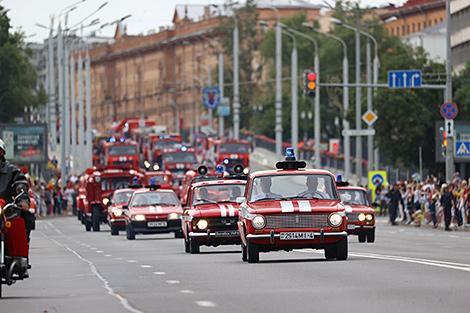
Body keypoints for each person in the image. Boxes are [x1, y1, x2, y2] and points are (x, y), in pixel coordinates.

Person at [0, 138, 31, 277]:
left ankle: (21, 259)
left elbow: (21, 185)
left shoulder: (12, 171)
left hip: (6, 209)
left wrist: (23, 199)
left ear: (1, 152)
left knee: (24, 217)